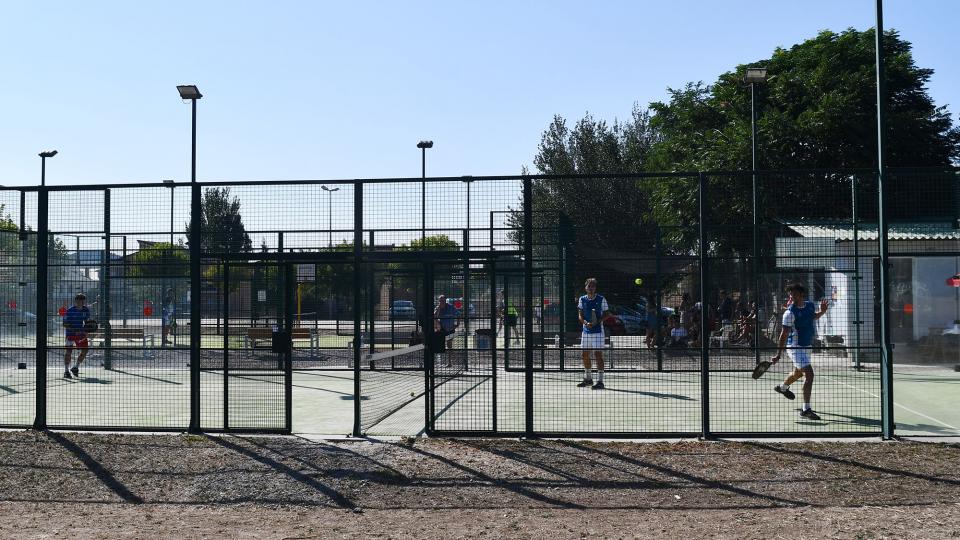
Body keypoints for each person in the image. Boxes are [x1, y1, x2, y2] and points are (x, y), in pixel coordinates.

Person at [770, 283, 829, 420]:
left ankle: (782, 387)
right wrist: (778, 354)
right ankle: (806, 410)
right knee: (809, 374)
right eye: (791, 294)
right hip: (795, 347)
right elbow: (783, 335)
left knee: (798, 373)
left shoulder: (809, 305)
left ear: (802, 295)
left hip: (807, 346)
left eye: (795, 294)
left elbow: (812, 317)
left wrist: (822, 312)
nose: (792, 297)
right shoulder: (789, 313)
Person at [577, 278, 610, 390]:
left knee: (598, 355)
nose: (591, 288)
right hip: (586, 331)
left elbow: (607, 314)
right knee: (584, 355)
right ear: (586, 288)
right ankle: (588, 379)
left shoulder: (601, 299)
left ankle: (600, 381)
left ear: (595, 288)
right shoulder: (582, 299)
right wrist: (586, 323)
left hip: (598, 332)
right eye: (589, 286)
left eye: (593, 286)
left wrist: (597, 321)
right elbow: (580, 315)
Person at [62, 293, 91, 379]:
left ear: (84, 301)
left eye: (82, 300)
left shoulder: (86, 310)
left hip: (81, 334)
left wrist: (87, 330)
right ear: (75, 301)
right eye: (78, 300)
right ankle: (66, 371)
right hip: (70, 334)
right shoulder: (70, 311)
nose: (80, 302)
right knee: (68, 352)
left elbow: (87, 322)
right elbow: (64, 324)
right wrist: (74, 331)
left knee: (85, 351)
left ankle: (75, 367)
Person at [433, 295, 459, 366]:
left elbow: (458, 314)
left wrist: (457, 324)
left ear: (445, 300)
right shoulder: (438, 308)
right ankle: (439, 361)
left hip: (450, 329)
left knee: (449, 344)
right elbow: (434, 317)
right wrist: (438, 309)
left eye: (443, 300)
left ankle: (450, 362)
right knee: (440, 345)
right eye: (440, 301)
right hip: (442, 329)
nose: (442, 302)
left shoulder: (451, 307)